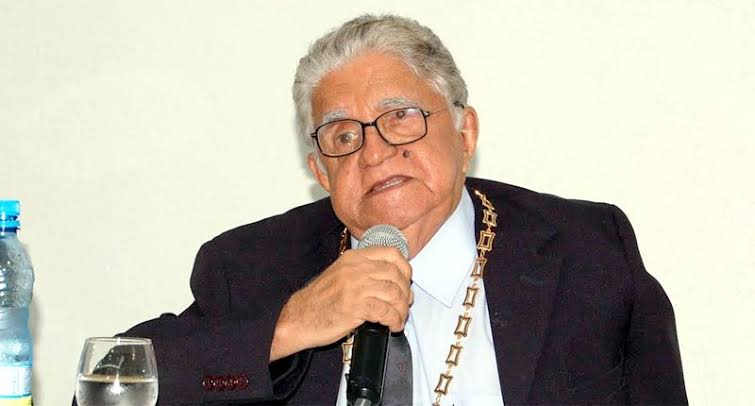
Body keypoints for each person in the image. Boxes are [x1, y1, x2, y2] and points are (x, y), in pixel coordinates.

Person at [119, 14, 687, 405]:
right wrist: (291, 325)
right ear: (321, 172)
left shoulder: (587, 252)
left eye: (400, 117)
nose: (374, 151)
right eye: (344, 135)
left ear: (465, 133)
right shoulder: (252, 267)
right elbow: (107, 384)